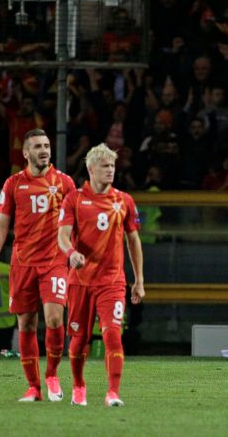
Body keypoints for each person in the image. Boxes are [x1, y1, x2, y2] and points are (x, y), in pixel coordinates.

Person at [0, 129, 76, 402]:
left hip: (54, 262)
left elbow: (78, 222)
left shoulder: (65, 182)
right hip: (22, 263)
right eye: (37, 146)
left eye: (46, 145)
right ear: (25, 152)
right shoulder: (13, 184)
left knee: (54, 318)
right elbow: (2, 226)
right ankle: (34, 387)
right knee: (25, 324)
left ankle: (52, 375)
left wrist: (77, 254)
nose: (44, 150)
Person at [57, 143, 145, 407]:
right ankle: (78, 387)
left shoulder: (124, 200)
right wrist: (71, 253)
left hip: (112, 282)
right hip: (80, 280)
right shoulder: (73, 199)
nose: (110, 170)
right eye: (105, 166)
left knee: (112, 335)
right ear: (90, 168)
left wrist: (139, 279)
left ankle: (113, 392)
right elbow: (62, 235)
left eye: (112, 166)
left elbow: (134, 241)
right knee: (79, 339)